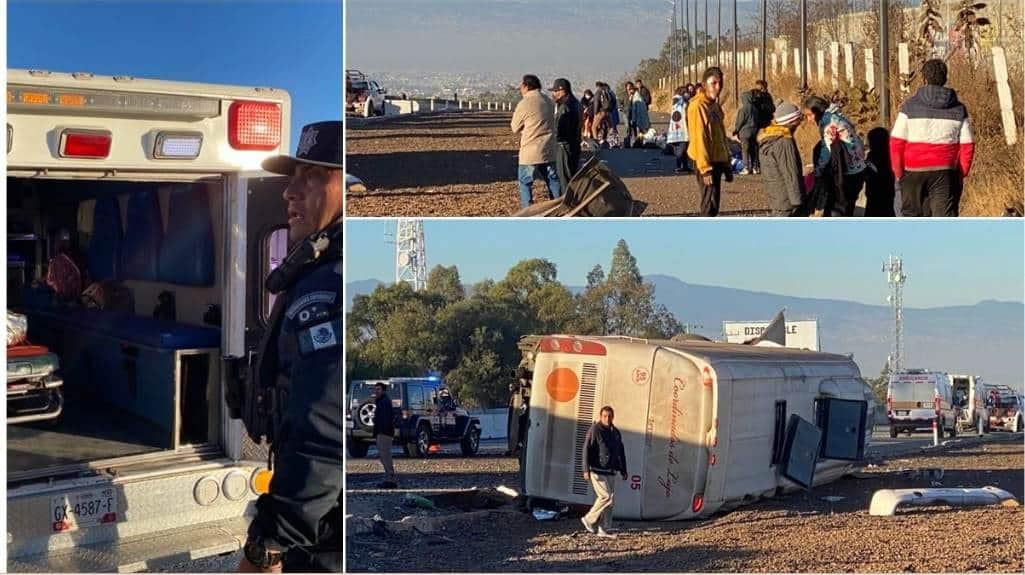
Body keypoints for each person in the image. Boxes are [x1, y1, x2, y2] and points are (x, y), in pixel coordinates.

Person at [241, 121, 343, 573]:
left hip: (322, 538)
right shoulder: (317, 270)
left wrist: (272, 543)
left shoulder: (331, 287)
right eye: (292, 178)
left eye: (314, 176)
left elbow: (322, 434)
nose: (290, 192)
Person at [890, 59, 975, 217]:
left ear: (924, 79)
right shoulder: (959, 109)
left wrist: (899, 173)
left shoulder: (909, 106)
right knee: (943, 219)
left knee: (912, 217)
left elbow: (896, 142)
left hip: (912, 170)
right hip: (945, 170)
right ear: (945, 78)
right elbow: (967, 145)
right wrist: (960, 173)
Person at [802, 95, 867, 217]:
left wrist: (818, 170)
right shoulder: (836, 115)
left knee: (839, 207)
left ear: (818, 110)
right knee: (849, 206)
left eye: (810, 115)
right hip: (858, 166)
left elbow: (827, 150)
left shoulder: (828, 124)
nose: (809, 120)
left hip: (848, 170)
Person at [687, 67, 732, 216]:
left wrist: (726, 161)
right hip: (705, 162)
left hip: (716, 161)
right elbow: (700, 138)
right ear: (704, 85)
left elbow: (720, 135)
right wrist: (705, 169)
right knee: (709, 204)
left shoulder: (714, 106)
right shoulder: (698, 106)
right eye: (713, 83)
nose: (718, 88)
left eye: (720, 83)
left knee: (714, 203)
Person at [511, 74, 561, 208]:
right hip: (548, 149)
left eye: (521, 87)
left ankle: (528, 212)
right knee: (553, 180)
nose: (520, 90)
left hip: (530, 151)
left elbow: (515, 127)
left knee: (526, 182)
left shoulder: (524, 103)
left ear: (526, 86)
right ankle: (558, 207)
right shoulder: (548, 101)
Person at [580, 405, 627, 539]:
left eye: (609, 416)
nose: (607, 418)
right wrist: (585, 469)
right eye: (605, 416)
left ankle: (604, 528)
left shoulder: (615, 432)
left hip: (611, 470)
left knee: (610, 501)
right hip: (597, 469)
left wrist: (623, 469)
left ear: (613, 417)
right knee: (605, 496)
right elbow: (586, 449)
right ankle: (588, 519)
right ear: (600, 417)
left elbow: (620, 452)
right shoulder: (595, 429)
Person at [757, 101, 807, 216]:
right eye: (798, 120)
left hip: (776, 197)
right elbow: (790, 173)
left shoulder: (769, 137)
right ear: (792, 122)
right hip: (788, 202)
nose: (799, 124)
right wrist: (798, 201)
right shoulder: (785, 141)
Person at [551, 78, 582, 192]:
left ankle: (567, 205)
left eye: (555, 91)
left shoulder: (565, 107)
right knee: (571, 177)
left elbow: (561, 130)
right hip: (574, 145)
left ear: (562, 91)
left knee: (565, 179)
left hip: (564, 146)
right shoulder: (576, 103)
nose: (553, 94)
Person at [864, 127, 896, 217]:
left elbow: (867, 175)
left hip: (873, 198)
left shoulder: (871, 158)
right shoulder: (891, 156)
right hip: (888, 196)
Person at [372, 382, 397, 488]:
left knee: (385, 456)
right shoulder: (381, 401)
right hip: (382, 433)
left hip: (384, 433)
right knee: (383, 457)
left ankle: (390, 480)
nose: (376, 391)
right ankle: (388, 478)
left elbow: (386, 419)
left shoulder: (384, 402)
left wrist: (382, 430)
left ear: (383, 390)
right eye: (375, 389)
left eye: (378, 389)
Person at [732, 90, 759, 175]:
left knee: (745, 150)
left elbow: (740, 121)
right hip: (754, 131)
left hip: (745, 133)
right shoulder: (755, 109)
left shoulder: (743, 110)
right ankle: (755, 168)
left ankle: (746, 167)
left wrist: (736, 130)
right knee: (753, 151)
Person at [667, 86, 692, 174]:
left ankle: (684, 166)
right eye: (687, 92)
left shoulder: (677, 101)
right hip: (681, 129)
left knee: (684, 149)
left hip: (678, 129)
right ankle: (679, 166)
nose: (688, 94)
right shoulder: (680, 102)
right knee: (681, 149)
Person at [626, 82, 651, 148]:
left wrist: (633, 120)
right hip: (642, 117)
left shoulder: (636, 97)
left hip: (639, 117)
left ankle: (640, 143)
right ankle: (642, 142)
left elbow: (634, 110)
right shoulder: (638, 96)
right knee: (642, 130)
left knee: (640, 130)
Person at [606, 83, 622, 148]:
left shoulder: (609, 94)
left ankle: (613, 142)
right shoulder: (612, 93)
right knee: (614, 128)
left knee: (612, 128)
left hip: (612, 114)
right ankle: (615, 141)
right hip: (614, 114)